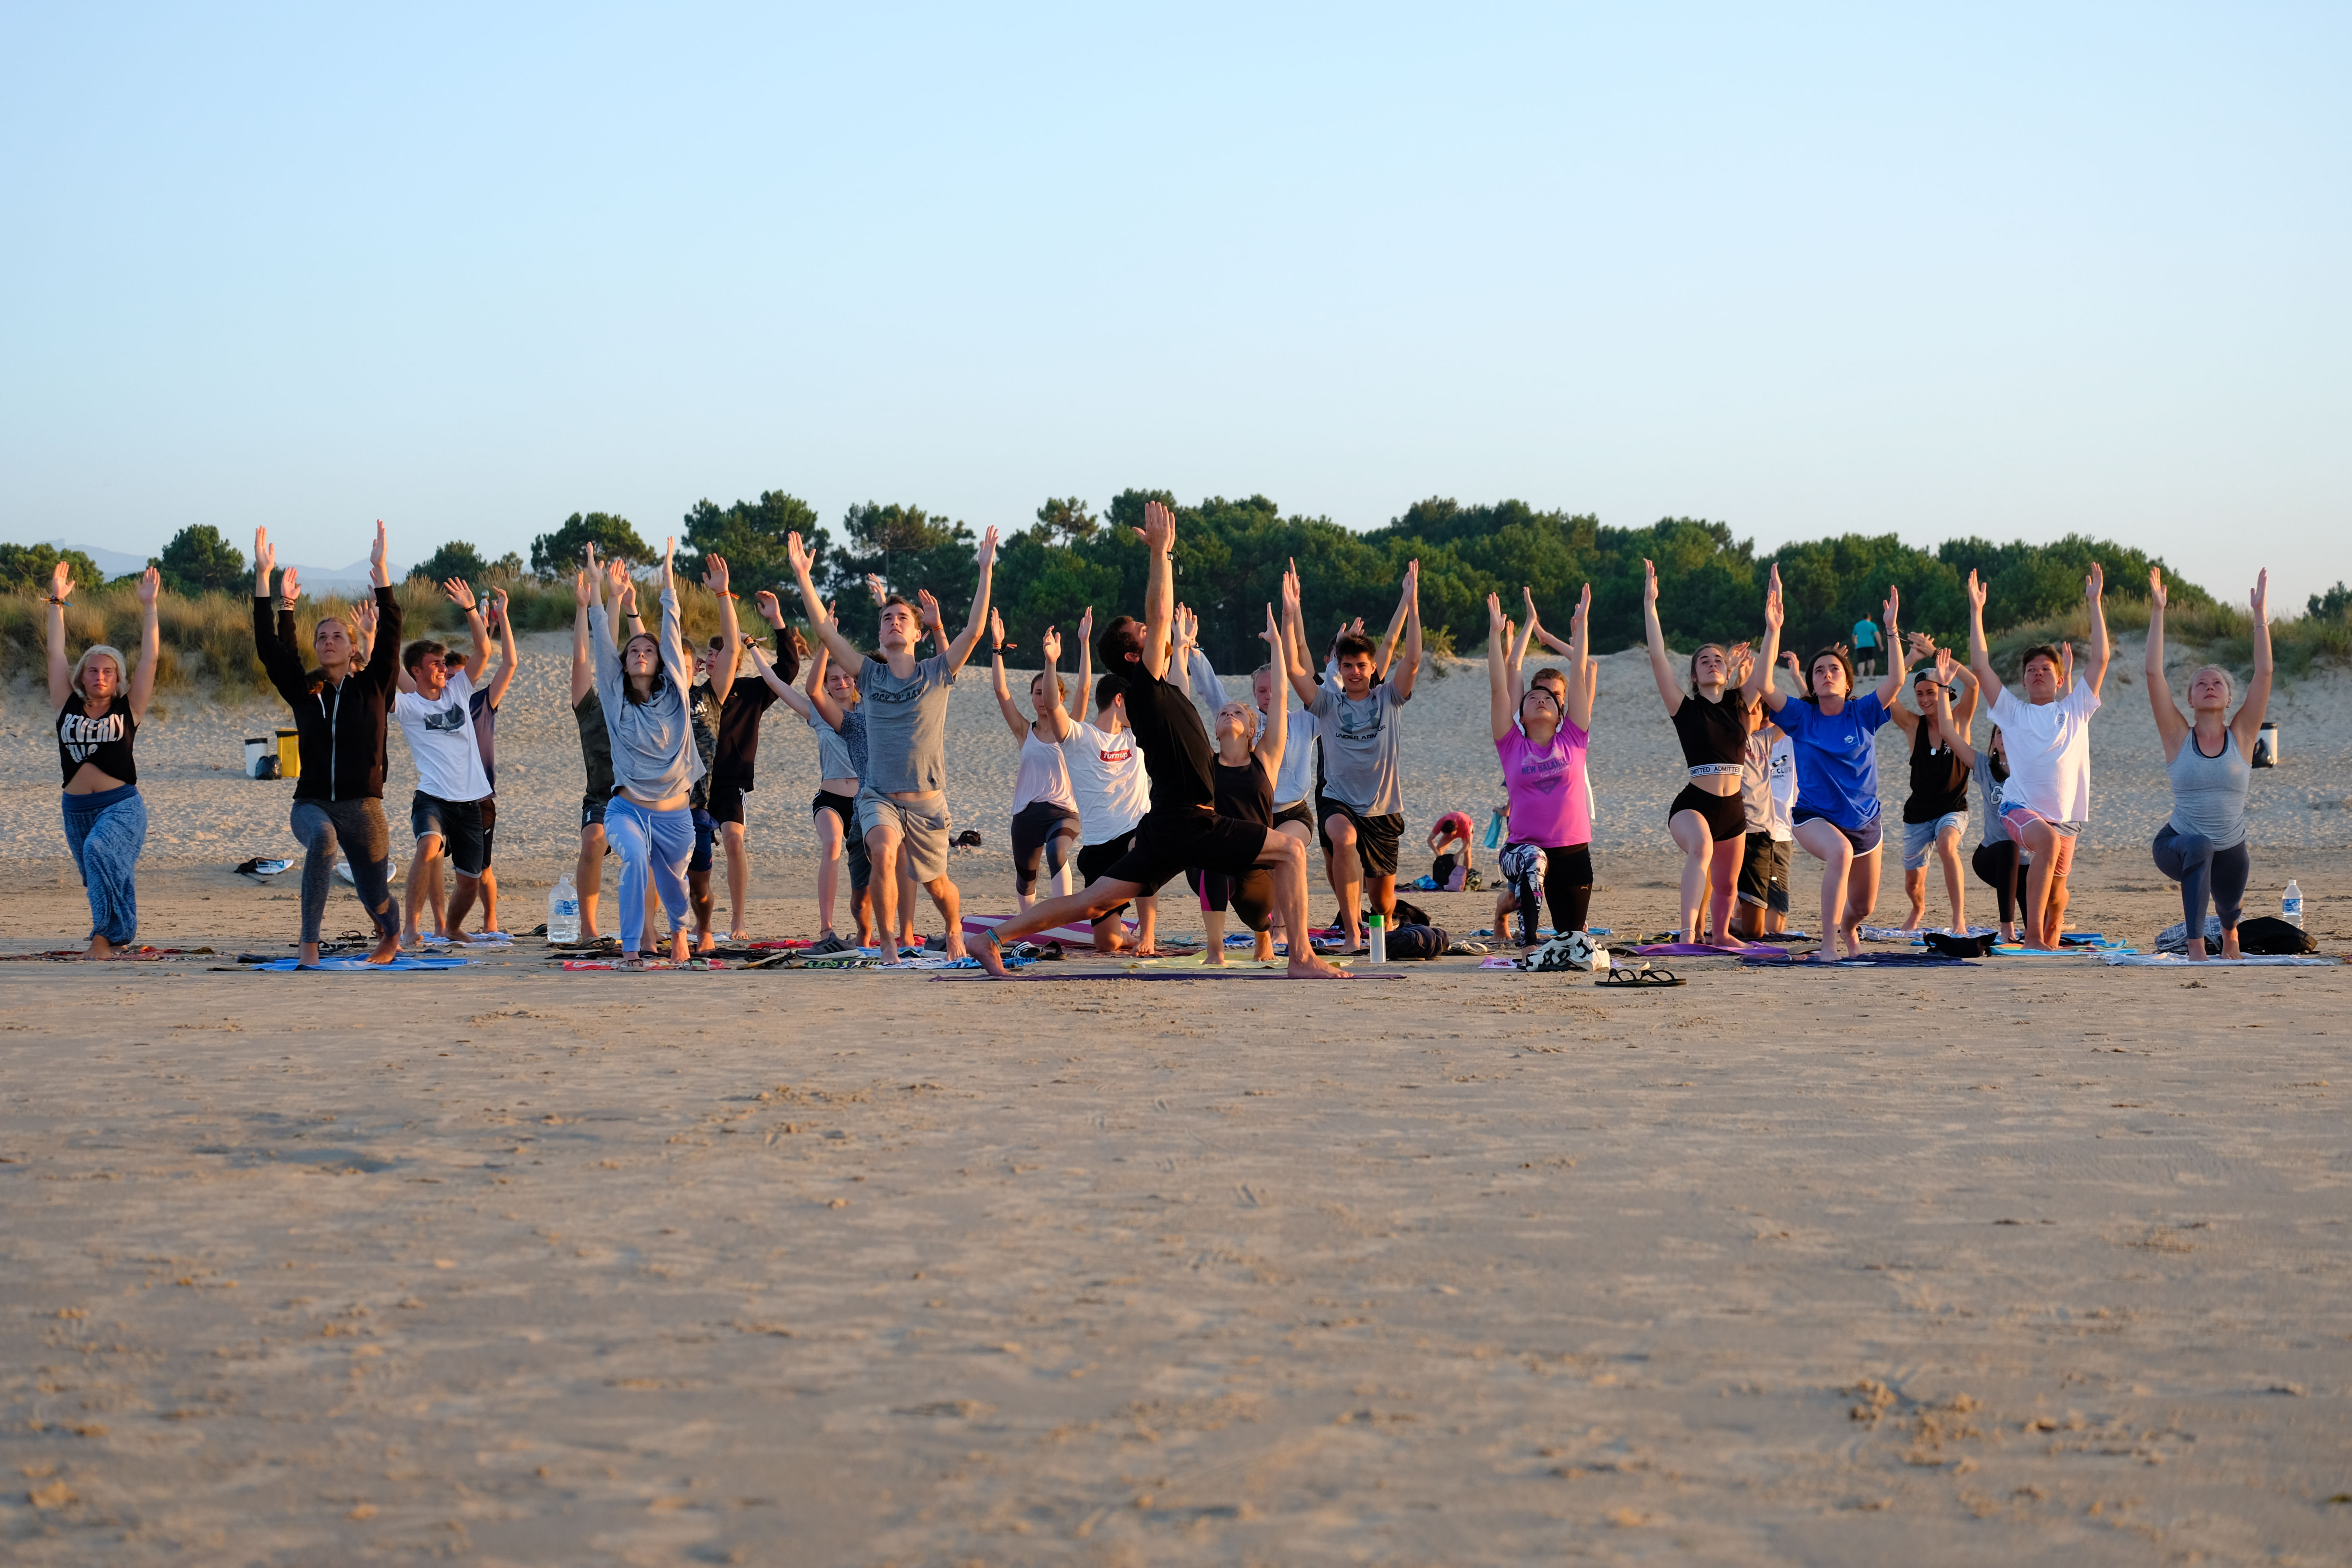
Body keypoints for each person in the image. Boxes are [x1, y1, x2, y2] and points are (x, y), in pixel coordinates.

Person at [971, 502, 1348, 982]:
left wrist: (1187, 639)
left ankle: (991, 939)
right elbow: (1157, 608)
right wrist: (1161, 555)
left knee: (1092, 902)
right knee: (1291, 852)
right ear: (1134, 654)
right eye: (1145, 636)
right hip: (1187, 819)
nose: (1155, 633)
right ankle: (1300, 958)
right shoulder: (1143, 687)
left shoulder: (1166, 689)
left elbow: (1168, 631)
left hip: (1167, 824)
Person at [787, 526, 997, 959]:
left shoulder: (937, 673)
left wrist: (984, 569)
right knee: (882, 851)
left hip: (926, 800)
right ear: (881, 636)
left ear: (917, 633)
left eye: (902, 617)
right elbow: (826, 635)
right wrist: (804, 577)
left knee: (938, 885)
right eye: (886, 618)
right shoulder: (869, 674)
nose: (894, 621)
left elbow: (974, 630)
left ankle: (954, 928)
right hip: (878, 795)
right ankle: (887, 948)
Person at [252, 522, 403, 967]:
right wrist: (268, 584)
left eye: (337, 635)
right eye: (321, 637)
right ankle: (309, 946)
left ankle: (391, 932)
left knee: (376, 897)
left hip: (364, 808)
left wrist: (380, 573)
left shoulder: (373, 688)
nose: (328, 641)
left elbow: (393, 632)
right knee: (321, 840)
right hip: (312, 804)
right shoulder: (304, 692)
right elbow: (270, 647)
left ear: (352, 648)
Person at [1752, 564, 1911, 961]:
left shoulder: (1863, 713)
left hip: (1865, 821)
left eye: (1834, 670)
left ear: (1846, 682)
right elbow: (1763, 685)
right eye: (1819, 670)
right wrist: (1772, 629)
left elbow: (1895, 681)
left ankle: (1847, 927)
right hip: (1813, 817)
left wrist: (1890, 631)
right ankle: (1828, 947)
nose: (1826, 674)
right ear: (1812, 680)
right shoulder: (1800, 717)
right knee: (1838, 853)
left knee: (1864, 907)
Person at [1963, 562, 2111, 950]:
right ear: (2024, 680)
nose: (2038, 673)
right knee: (2043, 844)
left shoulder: (2075, 708)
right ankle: (2032, 939)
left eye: (2046, 668)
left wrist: (2094, 603)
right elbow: (1980, 665)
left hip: (2068, 815)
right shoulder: (2013, 712)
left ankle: (2047, 934)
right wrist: (1977, 612)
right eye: (2031, 670)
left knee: (2058, 891)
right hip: (2019, 809)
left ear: (2060, 679)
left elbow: (2100, 661)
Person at [1286, 559, 1423, 952]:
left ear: (1372, 667)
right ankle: (1351, 934)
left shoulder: (1390, 698)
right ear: (1340, 668)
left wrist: (1411, 604)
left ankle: (1381, 923)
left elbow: (1410, 658)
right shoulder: (1327, 704)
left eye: (1361, 666)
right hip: (1339, 800)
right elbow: (1298, 665)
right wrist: (1293, 611)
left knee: (1383, 901)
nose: (1355, 672)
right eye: (1347, 666)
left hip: (1382, 808)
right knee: (1342, 840)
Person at [586, 539, 704, 964]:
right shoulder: (616, 700)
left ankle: (679, 934)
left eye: (648, 650)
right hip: (627, 811)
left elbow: (671, 624)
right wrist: (599, 592)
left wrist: (668, 569)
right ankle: (632, 948)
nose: (640, 653)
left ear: (660, 662)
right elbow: (602, 642)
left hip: (675, 815)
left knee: (674, 882)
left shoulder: (676, 696)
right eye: (634, 650)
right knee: (635, 860)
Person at [2146, 566, 2273, 960]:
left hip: (2231, 846)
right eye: (2200, 682)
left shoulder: (2242, 736)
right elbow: (2152, 672)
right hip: (2177, 844)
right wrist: (2157, 611)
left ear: (2228, 699)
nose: (2209, 685)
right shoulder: (2177, 737)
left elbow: (2264, 672)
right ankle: (2196, 946)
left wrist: (2258, 615)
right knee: (2199, 845)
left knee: (2231, 908)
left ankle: (2230, 933)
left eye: (2217, 682)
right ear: (2190, 699)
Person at [47, 560, 160, 959]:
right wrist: (56, 602)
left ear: (118, 679)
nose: (99, 676)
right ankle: (120, 931)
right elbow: (55, 651)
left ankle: (103, 939)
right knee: (100, 873)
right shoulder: (66, 705)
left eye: (108, 671)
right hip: (76, 810)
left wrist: (149, 607)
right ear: (81, 677)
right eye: (92, 670)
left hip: (122, 807)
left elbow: (150, 659)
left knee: (100, 851)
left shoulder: (129, 709)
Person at [1641, 558, 1751, 948]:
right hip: (1693, 804)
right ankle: (1688, 934)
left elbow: (1766, 670)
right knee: (1701, 849)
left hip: (1734, 808)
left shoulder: (1742, 704)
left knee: (1727, 884)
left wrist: (1773, 627)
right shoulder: (1684, 707)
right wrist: (1651, 604)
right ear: (1693, 675)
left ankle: (1718, 934)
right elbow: (1657, 657)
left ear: (1728, 671)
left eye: (1718, 659)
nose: (1711, 662)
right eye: (1703, 660)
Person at [383, 578, 495, 948]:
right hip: (432, 797)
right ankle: (411, 928)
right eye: (434, 664)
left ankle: (452, 927)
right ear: (416, 671)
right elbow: (383, 674)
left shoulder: (459, 689)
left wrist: (471, 610)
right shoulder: (410, 705)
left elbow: (484, 649)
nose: (443, 669)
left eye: (444, 663)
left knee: (470, 881)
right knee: (428, 846)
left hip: (472, 801)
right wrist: (374, 638)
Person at [1179, 609, 1291, 965]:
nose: (1228, 714)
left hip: (1255, 859)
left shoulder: (1266, 758)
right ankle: (1215, 952)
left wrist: (1276, 646)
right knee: (1213, 862)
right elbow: (1179, 706)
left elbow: (1282, 698)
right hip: (1209, 856)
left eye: (1238, 712)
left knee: (1257, 913)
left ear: (1252, 726)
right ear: (1214, 730)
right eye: (1222, 713)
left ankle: (1263, 936)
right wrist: (1182, 648)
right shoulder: (1204, 762)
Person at [1487, 585, 1594, 950]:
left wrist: (1580, 629)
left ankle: (1543, 930)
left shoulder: (1574, 738)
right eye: (1532, 697)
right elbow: (1502, 684)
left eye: (1547, 697)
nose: (1538, 699)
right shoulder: (1511, 743)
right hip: (1522, 850)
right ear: (1522, 711)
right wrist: (1496, 634)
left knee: (1572, 942)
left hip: (1573, 852)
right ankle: (1528, 941)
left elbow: (1580, 671)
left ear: (1560, 711)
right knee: (1534, 859)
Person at [1059, 609, 1160, 954]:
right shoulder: (1082, 738)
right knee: (1107, 944)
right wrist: (1077, 648)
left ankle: (1147, 932)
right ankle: (1127, 933)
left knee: (1142, 848)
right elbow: (1083, 691)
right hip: (1099, 846)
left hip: (1135, 832)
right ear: (1119, 701)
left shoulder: (1137, 737)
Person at [680, 569, 769, 950]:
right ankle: (668, 929)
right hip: (679, 791)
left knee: (732, 841)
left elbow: (734, 649)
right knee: (673, 863)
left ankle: (734, 920)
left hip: (723, 785)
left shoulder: (717, 696)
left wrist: (723, 595)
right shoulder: (668, 698)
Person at [565, 544, 640, 948]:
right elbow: (585, 658)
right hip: (602, 796)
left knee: (653, 852)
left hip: (643, 794)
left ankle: (645, 926)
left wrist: (612, 598)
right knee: (594, 840)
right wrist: (586, 605)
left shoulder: (638, 704)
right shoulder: (590, 706)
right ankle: (590, 929)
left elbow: (612, 654)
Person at [1927, 657, 2027, 945]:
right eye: (1999, 733)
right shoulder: (1983, 767)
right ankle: (2006, 926)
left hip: (2028, 864)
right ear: (1993, 742)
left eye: (2010, 733)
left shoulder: (2032, 771)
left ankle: (2031, 925)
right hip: (1991, 858)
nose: (2004, 737)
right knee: (2009, 847)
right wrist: (1945, 687)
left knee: (2038, 926)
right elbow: (1948, 731)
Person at [988, 610, 1081, 910]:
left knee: (1057, 852)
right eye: (1037, 693)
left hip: (1064, 812)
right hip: (1026, 815)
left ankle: (1062, 914)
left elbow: (1086, 689)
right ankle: (1028, 922)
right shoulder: (1023, 730)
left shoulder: (1071, 729)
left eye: (1048, 692)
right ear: (1031, 697)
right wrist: (997, 646)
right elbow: (1001, 691)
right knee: (1026, 878)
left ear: (1059, 698)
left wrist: (1085, 643)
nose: (1042, 698)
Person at [1887, 632, 1976, 933]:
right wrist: (1912, 658)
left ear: (1945, 692)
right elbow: (1886, 696)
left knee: (1947, 845)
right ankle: (1918, 907)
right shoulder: (1913, 726)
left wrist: (1938, 654)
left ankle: (1958, 920)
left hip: (1953, 808)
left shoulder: (1960, 719)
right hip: (1918, 814)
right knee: (1913, 883)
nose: (1925, 699)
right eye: (1920, 694)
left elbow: (1974, 684)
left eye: (1931, 692)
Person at [1729, 651, 1797, 942]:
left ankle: (1733, 924)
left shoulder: (1766, 740)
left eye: (1760, 709)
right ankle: (1712, 926)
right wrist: (1739, 676)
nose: (1756, 712)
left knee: (1761, 931)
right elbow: (1730, 705)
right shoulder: (1726, 739)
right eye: (1752, 708)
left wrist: (1769, 672)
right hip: (1731, 832)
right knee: (1726, 891)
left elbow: (1799, 712)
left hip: (1766, 835)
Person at [1851, 611, 1879, 678]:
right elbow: (1877, 635)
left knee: (1861, 662)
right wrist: (1880, 644)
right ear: (1870, 618)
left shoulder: (1857, 625)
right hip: (1870, 645)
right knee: (1871, 660)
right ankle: (1871, 675)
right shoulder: (1873, 625)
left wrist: (1855, 644)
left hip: (1860, 645)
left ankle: (1861, 677)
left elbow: (1854, 637)